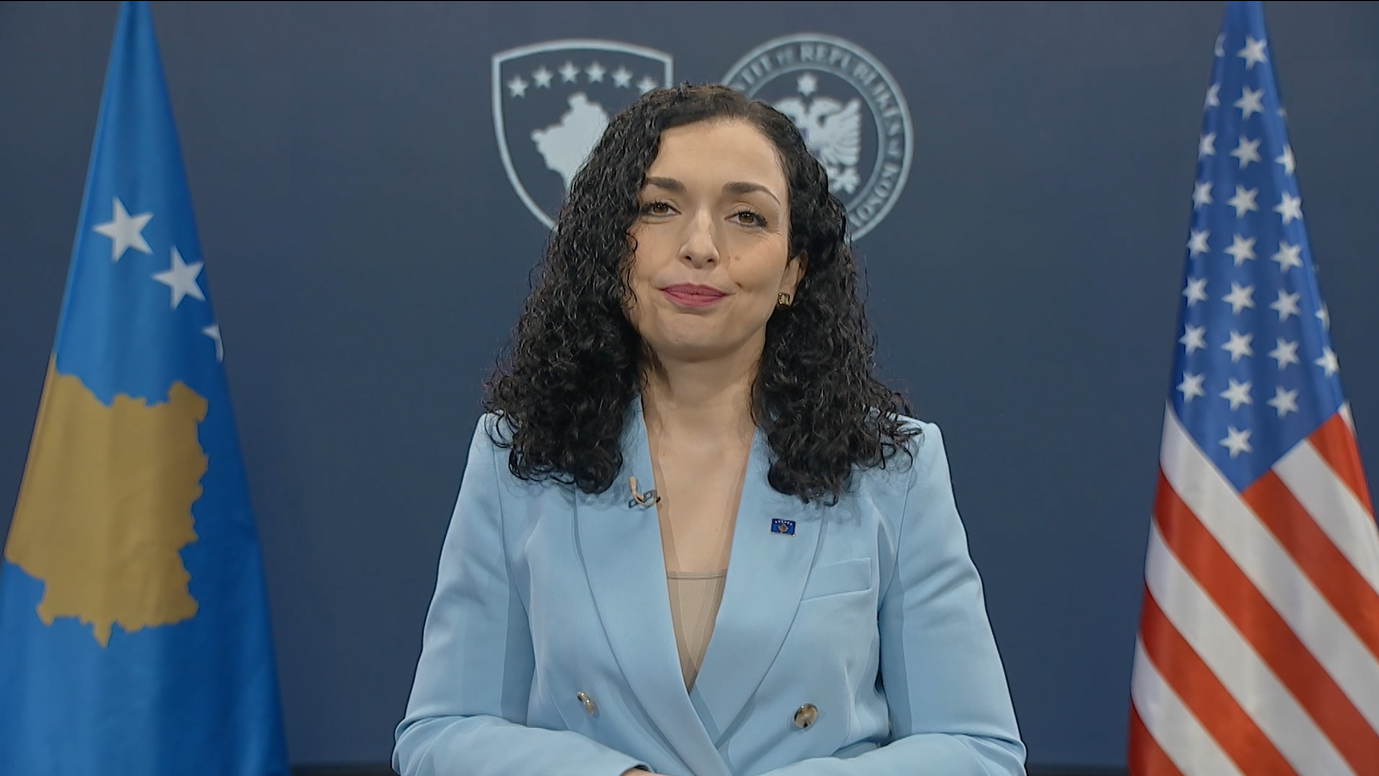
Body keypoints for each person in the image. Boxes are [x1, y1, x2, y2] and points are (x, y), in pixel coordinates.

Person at [393, 82, 1026, 776]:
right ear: (611, 248)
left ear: (792, 271)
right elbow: (441, 734)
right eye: (658, 208)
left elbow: (977, 751)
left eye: (746, 217)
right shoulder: (518, 457)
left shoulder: (891, 469)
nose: (699, 246)